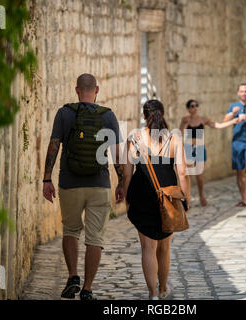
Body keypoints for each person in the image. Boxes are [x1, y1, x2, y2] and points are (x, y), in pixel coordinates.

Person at [42, 73, 124, 300]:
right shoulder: (108, 117)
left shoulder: (64, 113)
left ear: (77, 90)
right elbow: (117, 154)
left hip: (70, 183)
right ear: (96, 90)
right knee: (95, 238)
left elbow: (53, 146)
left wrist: (46, 179)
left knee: (70, 230)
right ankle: (87, 289)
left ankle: (72, 276)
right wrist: (121, 183)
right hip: (100, 185)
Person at [123, 100, 191, 300]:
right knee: (164, 246)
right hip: (168, 197)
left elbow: (127, 175)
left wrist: (127, 199)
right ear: (163, 114)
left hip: (141, 196)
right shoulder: (174, 138)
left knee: (147, 247)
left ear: (144, 116)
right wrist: (186, 200)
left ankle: (151, 292)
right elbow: (183, 173)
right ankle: (162, 288)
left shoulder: (134, 138)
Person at [179, 99, 238, 206]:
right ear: (188, 108)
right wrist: (185, 123)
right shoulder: (185, 120)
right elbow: (180, 133)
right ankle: (188, 199)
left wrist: (232, 121)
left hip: (200, 148)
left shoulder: (203, 119)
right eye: (192, 106)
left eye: (196, 105)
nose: (195, 108)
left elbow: (217, 125)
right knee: (188, 175)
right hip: (188, 147)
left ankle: (201, 196)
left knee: (199, 176)